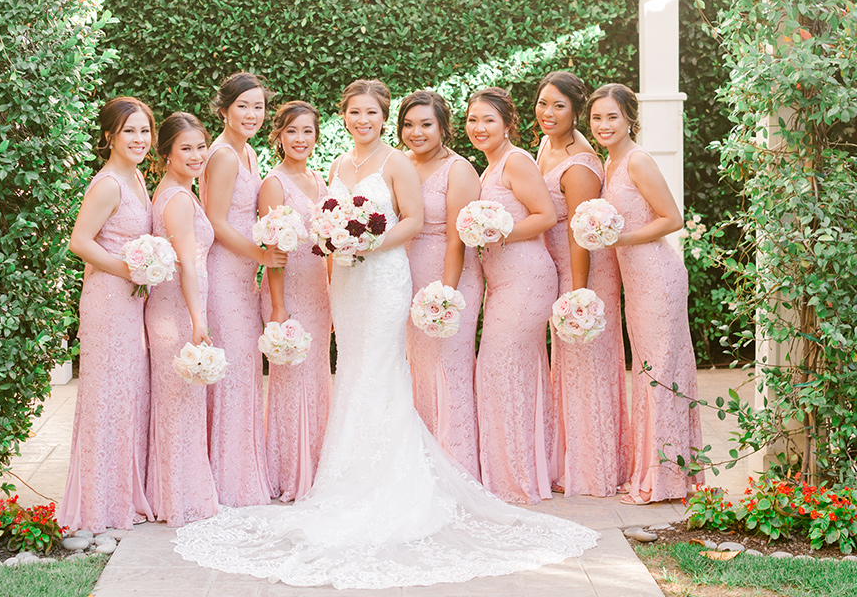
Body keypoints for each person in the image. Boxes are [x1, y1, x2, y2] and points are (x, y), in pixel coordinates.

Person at [173, 80, 598, 590]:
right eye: (354, 113)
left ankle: (392, 481)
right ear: (345, 116)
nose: (362, 121)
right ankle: (344, 478)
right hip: (348, 282)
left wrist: (371, 244)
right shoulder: (335, 165)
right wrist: (335, 246)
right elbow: (325, 226)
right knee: (351, 369)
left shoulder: (395, 163)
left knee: (381, 368)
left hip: (383, 275)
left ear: (383, 117)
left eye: (372, 113)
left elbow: (415, 222)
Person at [588, 83, 704, 505]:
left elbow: (672, 218)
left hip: (657, 274)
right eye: (597, 117)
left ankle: (662, 480)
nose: (603, 125)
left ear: (629, 119)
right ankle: (654, 472)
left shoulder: (637, 160)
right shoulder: (610, 160)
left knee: (659, 372)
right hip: (635, 279)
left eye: (611, 117)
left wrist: (620, 237)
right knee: (650, 370)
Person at [60, 97, 155, 533]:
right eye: (129, 131)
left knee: (127, 393)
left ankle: (122, 494)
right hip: (107, 299)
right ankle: (99, 503)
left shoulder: (136, 175)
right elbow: (80, 241)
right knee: (107, 396)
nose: (139, 139)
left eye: (145, 131)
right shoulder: (108, 183)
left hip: (131, 298)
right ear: (109, 136)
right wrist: (132, 268)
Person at [533, 72, 630, 497]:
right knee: (567, 368)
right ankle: (567, 460)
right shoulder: (545, 145)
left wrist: (578, 294)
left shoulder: (581, 163)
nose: (548, 113)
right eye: (542, 103)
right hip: (558, 270)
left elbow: (580, 235)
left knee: (586, 366)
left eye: (558, 106)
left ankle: (593, 469)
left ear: (575, 110)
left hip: (584, 274)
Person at [468, 87, 558, 503]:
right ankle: (516, 470)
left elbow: (546, 216)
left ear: (507, 124)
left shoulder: (516, 161)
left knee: (501, 370)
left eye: (488, 119)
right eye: (472, 119)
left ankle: (515, 479)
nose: (479, 127)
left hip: (526, 279)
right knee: (507, 373)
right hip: (501, 282)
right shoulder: (487, 170)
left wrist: (497, 231)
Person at [200, 72, 284, 507]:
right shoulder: (224, 156)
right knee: (232, 374)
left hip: (240, 275)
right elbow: (215, 222)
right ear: (224, 109)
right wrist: (262, 253)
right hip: (222, 275)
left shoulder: (247, 151)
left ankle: (240, 470)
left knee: (244, 370)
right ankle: (226, 480)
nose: (252, 115)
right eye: (243, 106)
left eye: (259, 106)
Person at [398, 90, 483, 480]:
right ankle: (419, 462)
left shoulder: (458, 170)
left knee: (447, 366)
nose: (416, 132)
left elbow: (457, 239)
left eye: (426, 124)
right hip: (405, 275)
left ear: (443, 127)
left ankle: (455, 466)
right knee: (416, 367)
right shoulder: (398, 164)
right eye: (409, 124)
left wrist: (446, 297)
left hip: (449, 276)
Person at [144, 112, 220, 526]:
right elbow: (188, 264)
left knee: (182, 402)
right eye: (185, 149)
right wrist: (198, 321)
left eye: (200, 147)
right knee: (180, 403)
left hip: (179, 305)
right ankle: (179, 498)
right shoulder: (176, 199)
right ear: (167, 154)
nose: (196, 156)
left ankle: (181, 491)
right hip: (177, 310)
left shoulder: (179, 192)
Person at [258, 101, 332, 502]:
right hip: (289, 295)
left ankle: (318, 465)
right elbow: (273, 254)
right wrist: (278, 306)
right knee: (291, 379)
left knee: (318, 376)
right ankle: (289, 470)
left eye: (307, 131)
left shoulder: (319, 181)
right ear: (279, 136)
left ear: (316, 135)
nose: (300, 139)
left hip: (318, 290)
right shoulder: (274, 183)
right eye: (292, 132)